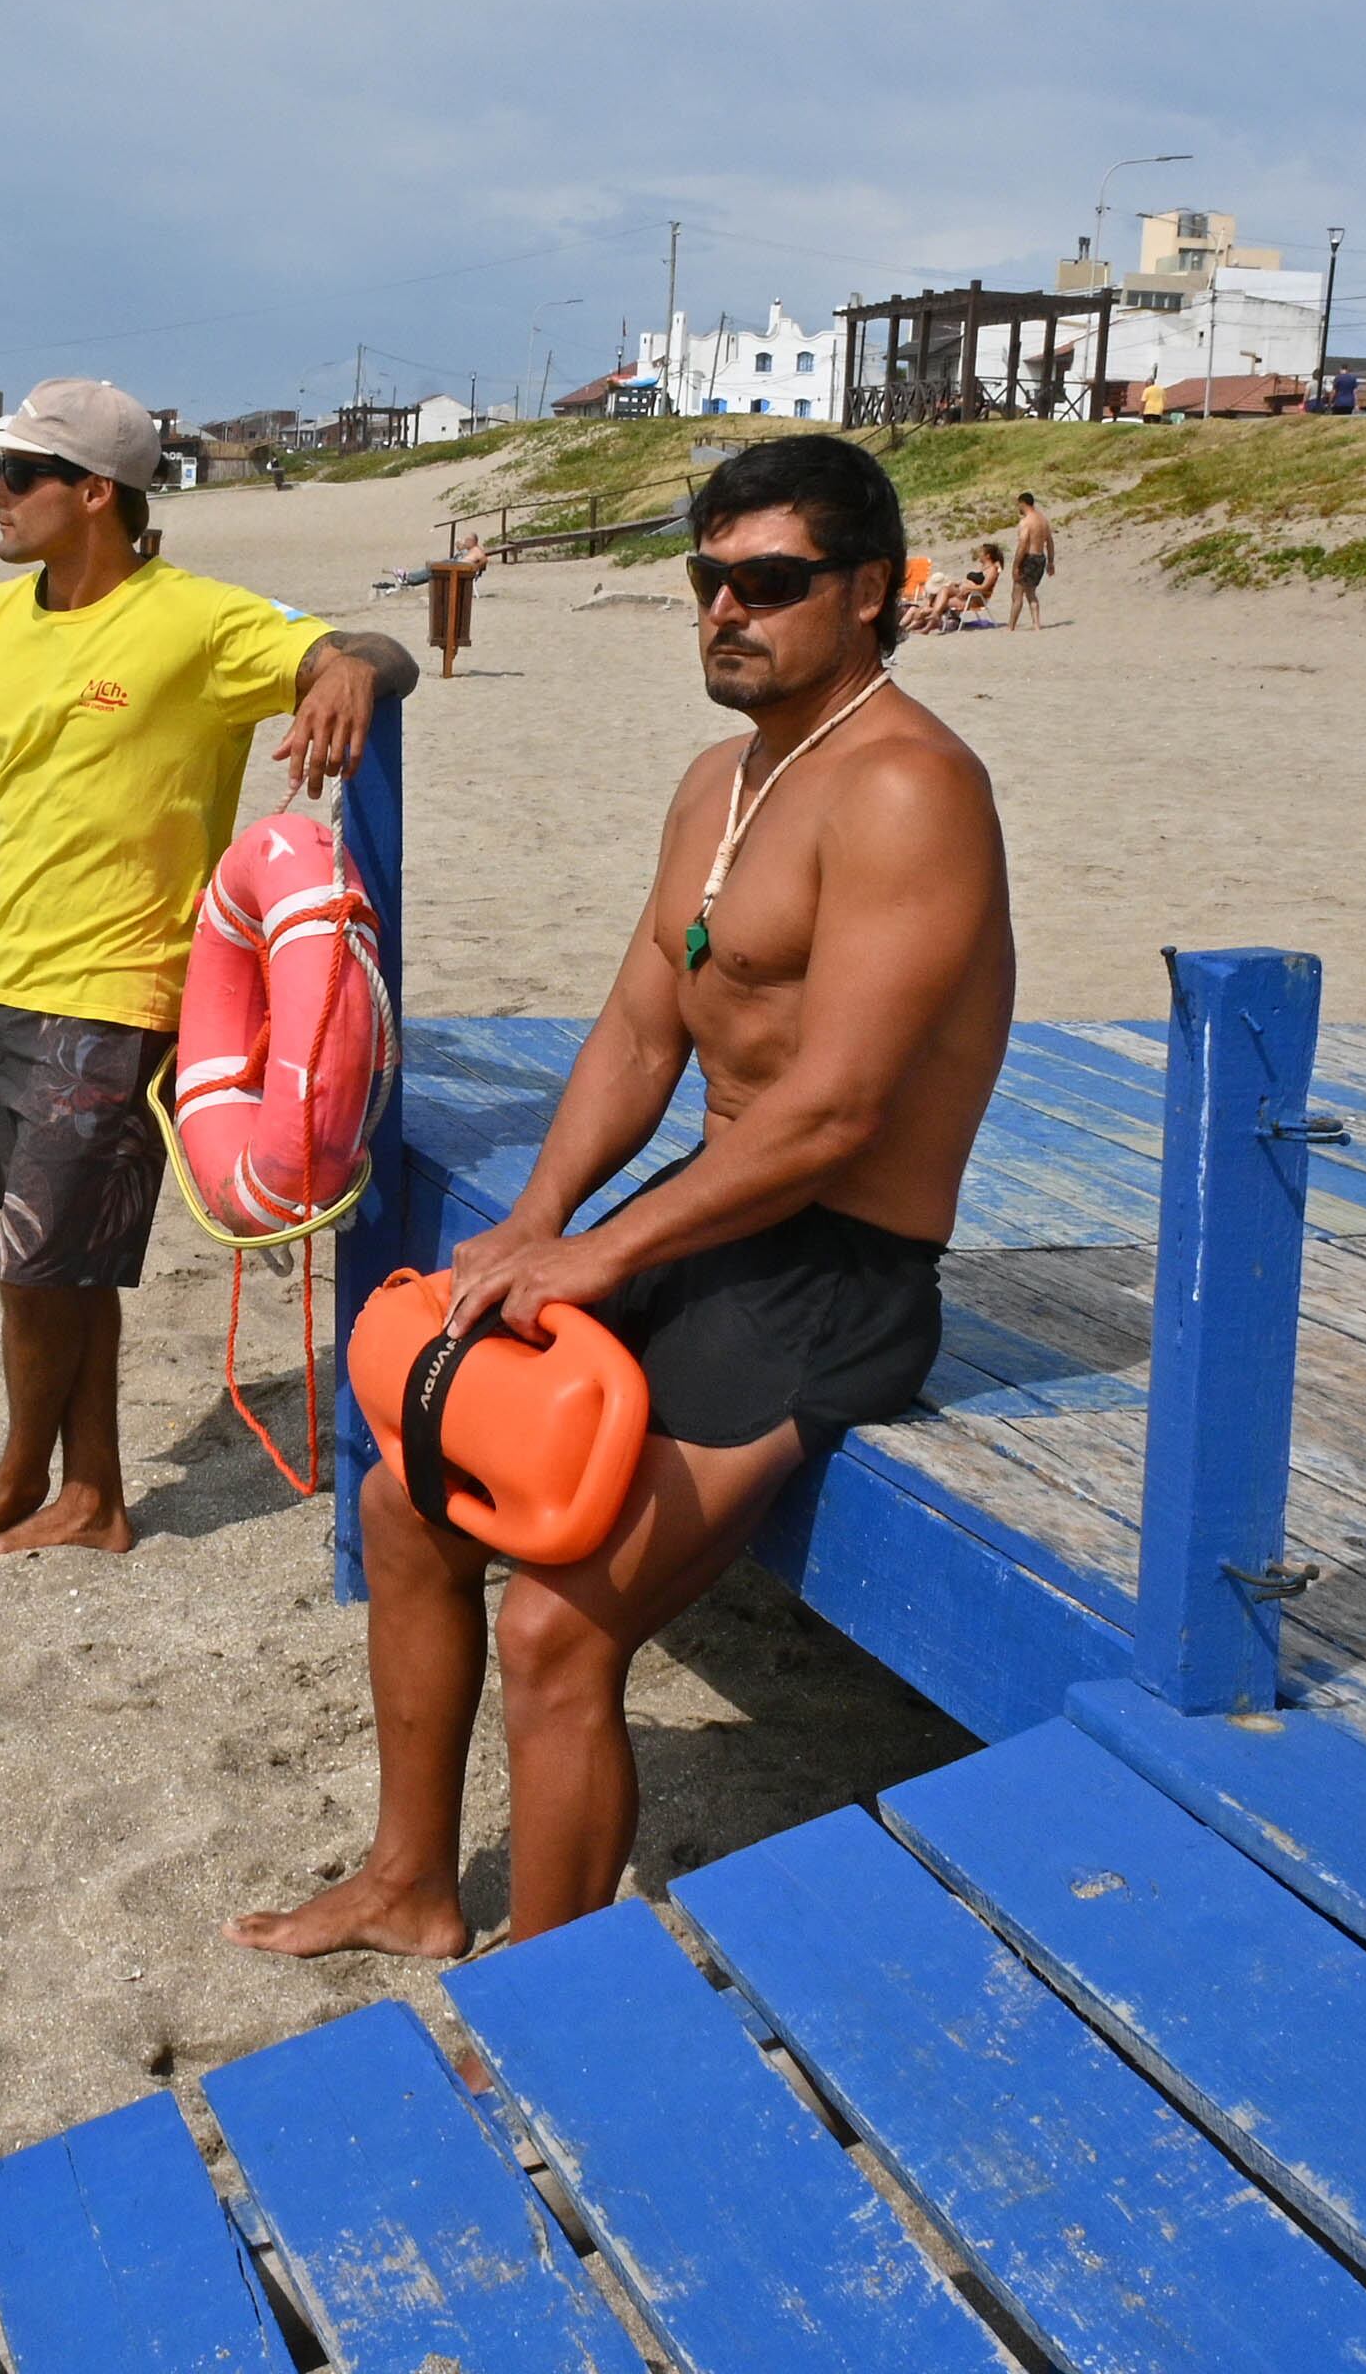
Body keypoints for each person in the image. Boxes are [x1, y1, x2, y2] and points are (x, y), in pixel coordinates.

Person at [234, 433, 1009, 1959]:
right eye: (709, 580)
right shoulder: (725, 779)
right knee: (405, 1505)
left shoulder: (911, 788)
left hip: (836, 1274)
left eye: (771, 581)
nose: (728, 609)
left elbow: (838, 1109)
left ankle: (559, 1986)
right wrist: (540, 1219)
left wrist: (603, 1255)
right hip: (711, 1227)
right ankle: (409, 1882)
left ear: (871, 592)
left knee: (559, 1622)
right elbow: (642, 1032)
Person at [0, 378, 420, 1562]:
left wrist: (352, 669)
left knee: (35, 1263)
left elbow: (366, 646)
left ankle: (29, 1480)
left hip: (123, 998)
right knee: (62, 1262)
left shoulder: (193, 621)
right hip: (5, 989)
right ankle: (92, 1495)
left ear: (96, 494)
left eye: (19, 474)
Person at [1006, 490, 1054, 630]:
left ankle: (1011, 626)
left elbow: (1022, 545)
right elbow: (1050, 542)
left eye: (1018, 505)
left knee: (1017, 593)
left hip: (1028, 558)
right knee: (1031, 592)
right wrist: (1051, 562)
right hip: (1040, 557)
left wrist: (1016, 566)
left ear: (1023, 503)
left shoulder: (1026, 522)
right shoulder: (1043, 520)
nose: (1018, 509)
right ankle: (1036, 624)